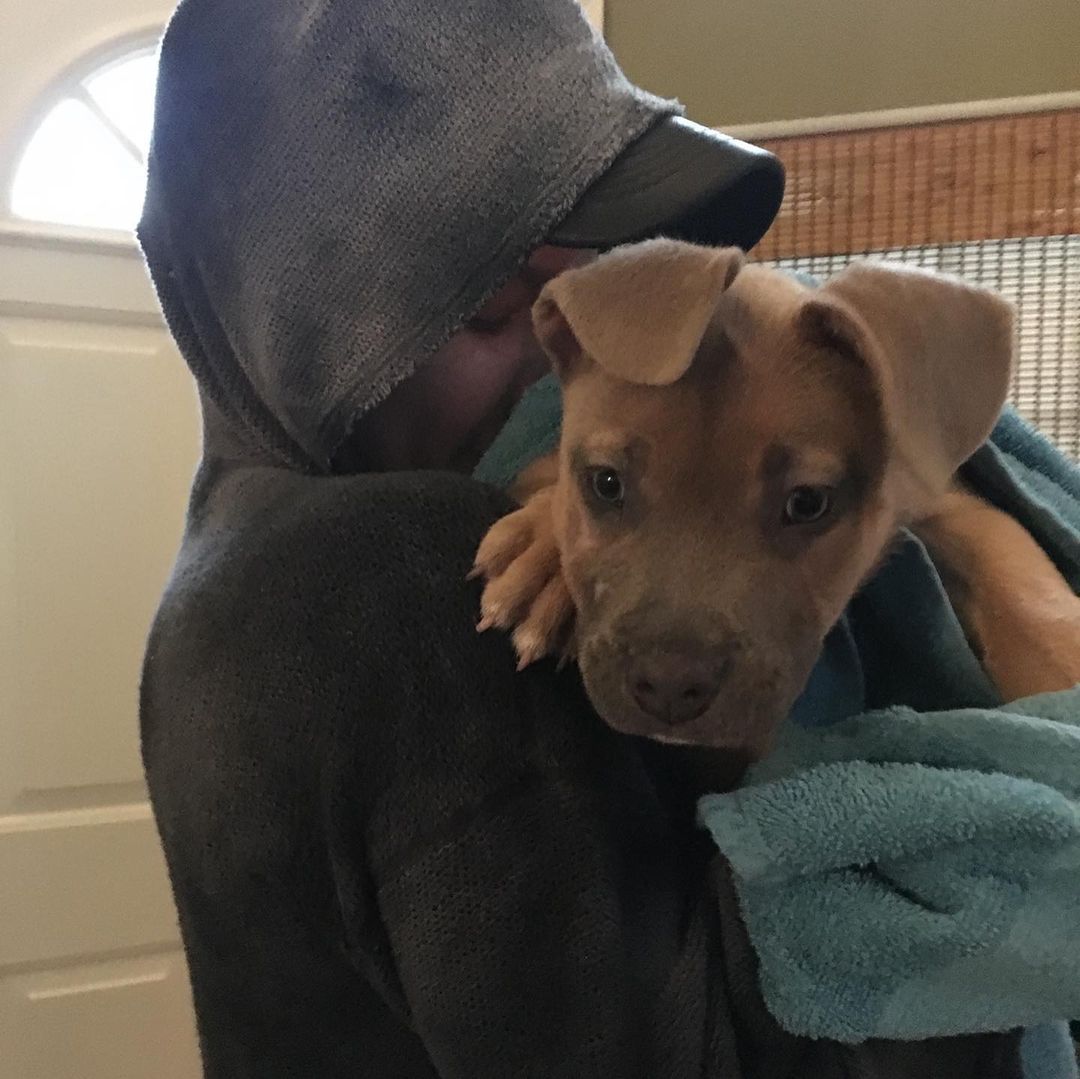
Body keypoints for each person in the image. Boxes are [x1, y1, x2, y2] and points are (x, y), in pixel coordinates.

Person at [137, 0, 1023, 1075]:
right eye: (493, 310)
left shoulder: (220, 569)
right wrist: (1002, 933)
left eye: (596, 269)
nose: (584, 360)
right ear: (297, 321)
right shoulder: (404, 571)